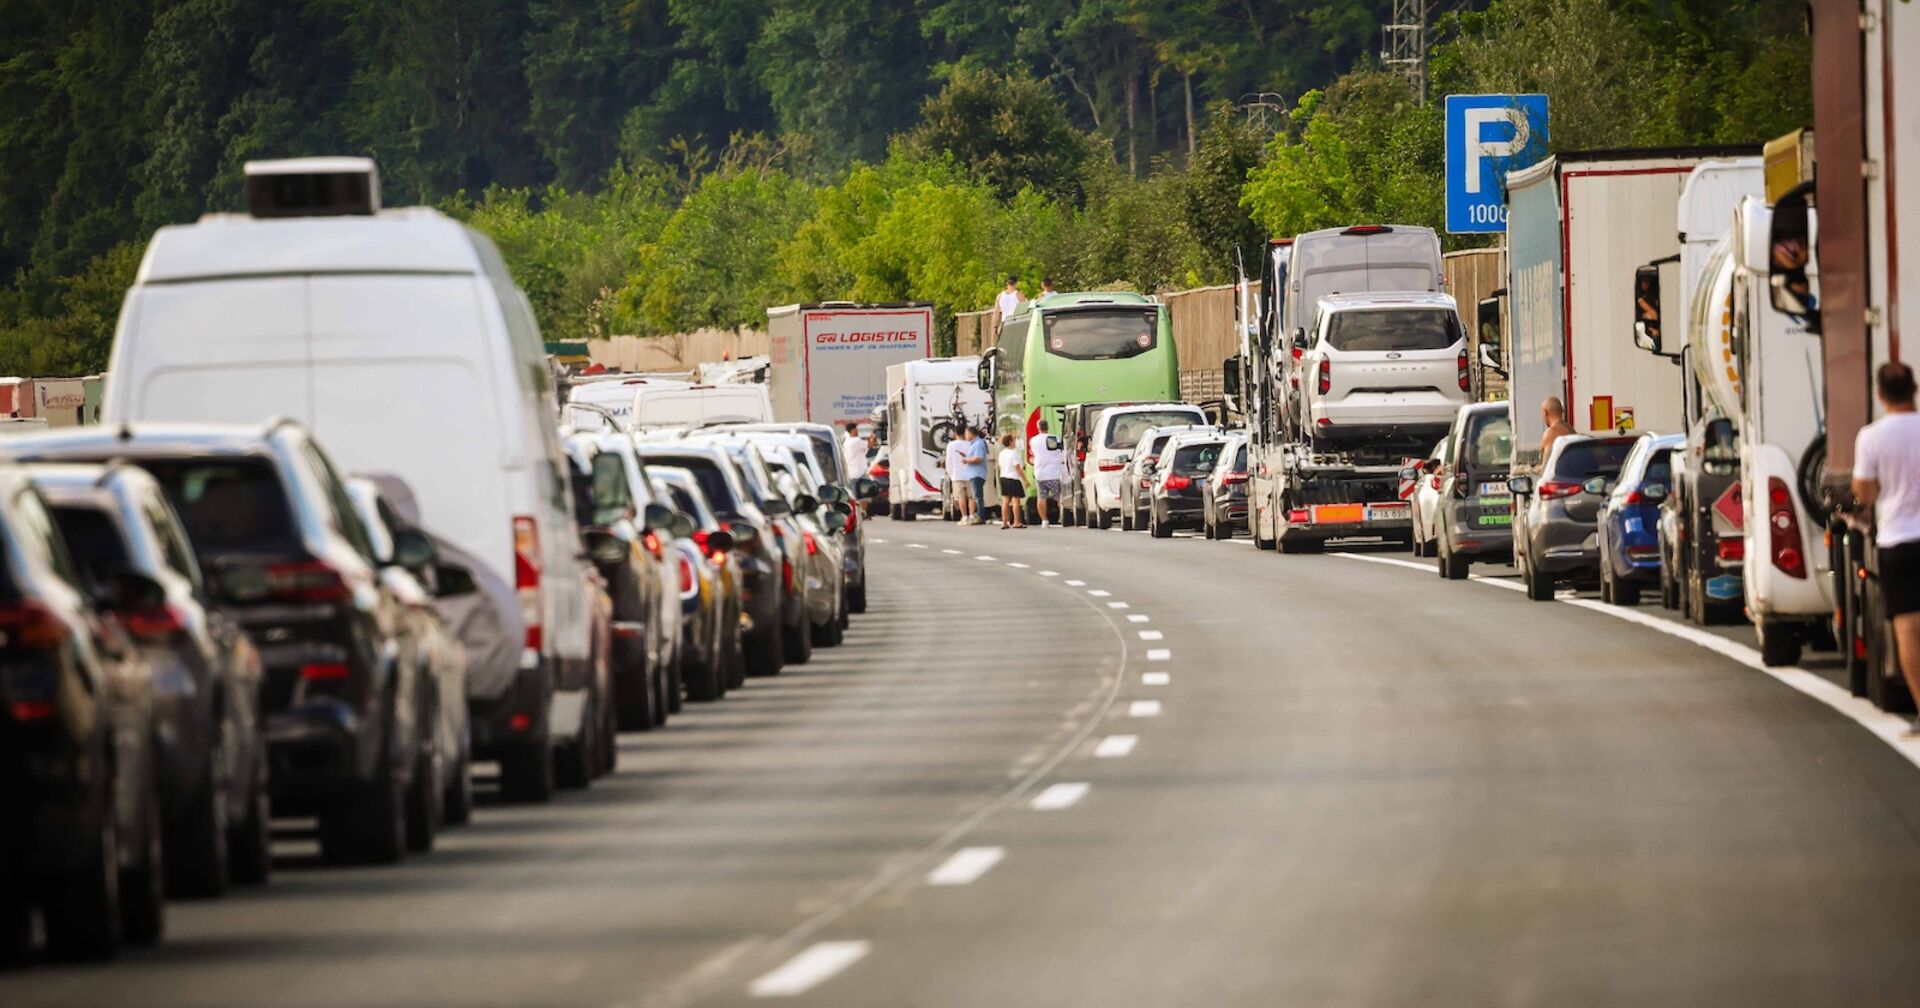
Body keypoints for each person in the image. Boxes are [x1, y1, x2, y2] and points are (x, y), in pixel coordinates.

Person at [1852, 362, 1920, 727]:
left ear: (1880, 395)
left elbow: (1864, 492)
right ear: (1916, 388)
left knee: (1908, 627)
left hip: (1896, 540)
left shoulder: (1871, 437)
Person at [1031, 419, 1067, 527]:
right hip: (1054, 472)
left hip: (1040, 473)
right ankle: (1063, 517)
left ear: (1038, 427)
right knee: (1059, 497)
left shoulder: (1033, 440)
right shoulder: (1055, 438)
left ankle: (1044, 521)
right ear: (1048, 427)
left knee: (1042, 497)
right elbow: (1060, 451)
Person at [958, 425, 990, 525]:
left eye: (967, 433)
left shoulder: (978, 443)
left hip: (977, 473)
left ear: (971, 433)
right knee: (976, 495)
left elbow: (978, 458)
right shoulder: (974, 444)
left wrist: (966, 460)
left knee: (978, 496)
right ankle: (979, 514)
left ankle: (981, 516)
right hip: (973, 473)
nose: (966, 436)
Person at [996, 434, 1028, 529]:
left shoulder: (1002, 453)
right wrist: (1025, 480)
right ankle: (1016, 521)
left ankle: (1004, 522)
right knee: (1015, 501)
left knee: (1006, 500)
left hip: (1004, 477)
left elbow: (1000, 466)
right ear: (1010, 442)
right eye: (1014, 440)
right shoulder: (1014, 453)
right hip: (1013, 477)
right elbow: (1017, 467)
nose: (1015, 442)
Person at [944, 426, 971, 523]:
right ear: (965, 433)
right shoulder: (970, 444)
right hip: (970, 474)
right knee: (971, 497)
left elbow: (949, 462)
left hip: (957, 475)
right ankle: (972, 515)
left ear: (955, 434)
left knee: (961, 497)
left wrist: (951, 474)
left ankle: (964, 516)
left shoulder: (951, 445)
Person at [1540, 396, 1574, 461]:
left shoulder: (1550, 433)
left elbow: (1546, 466)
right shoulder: (1572, 430)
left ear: (1545, 413)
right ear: (1562, 411)